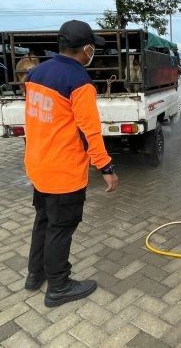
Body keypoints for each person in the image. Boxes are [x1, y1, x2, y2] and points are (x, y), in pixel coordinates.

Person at [23, 20, 119, 308]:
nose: (94, 54)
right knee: (61, 228)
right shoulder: (79, 82)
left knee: (43, 220)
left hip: (38, 164)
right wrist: (106, 168)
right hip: (63, 170)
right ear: (87, 49)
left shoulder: (37, 72)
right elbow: (91, 131)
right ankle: (59, 287)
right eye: (94, 48)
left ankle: (34, 275)